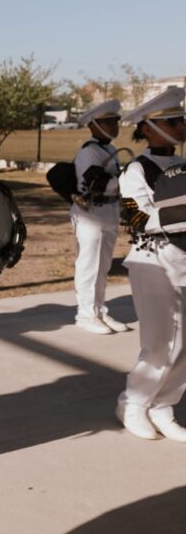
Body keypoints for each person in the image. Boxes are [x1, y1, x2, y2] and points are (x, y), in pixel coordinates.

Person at [116, 86, 186, 442]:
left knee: (184, 343)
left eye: (181, 119)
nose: (181, 126)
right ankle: (133, 403)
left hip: (183, 261)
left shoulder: (181, 163)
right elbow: (139, 220)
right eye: (174, 121)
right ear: (150, 128)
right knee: (158, 342)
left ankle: (163, 404)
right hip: (152, 261)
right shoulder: (136, 170)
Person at [70, 100, 128, 335]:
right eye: (109, 122)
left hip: (109, 210)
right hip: (90, 213)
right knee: (89, 264)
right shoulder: (88, 151)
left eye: (116, 122)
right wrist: (124, 179)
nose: (115, 127)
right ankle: (85, 315)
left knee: (103, 266)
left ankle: (99, 310)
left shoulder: (110, 150)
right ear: (94, 125)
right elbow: (93, 183)